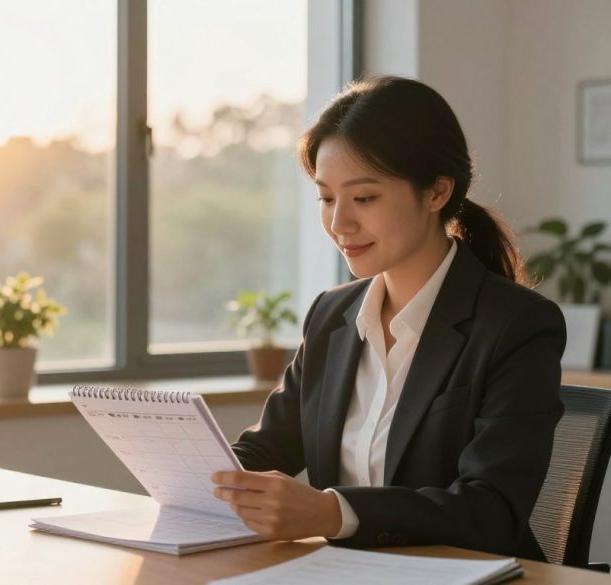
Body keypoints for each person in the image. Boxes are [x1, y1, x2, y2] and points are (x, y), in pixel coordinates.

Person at [211, 76, 566, 561]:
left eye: (364, 198)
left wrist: (332, 513)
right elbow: (268, 448)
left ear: (437, 191)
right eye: (327, 198)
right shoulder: (331, 315)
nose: (339, 224)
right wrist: (198, 471)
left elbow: (492, 510)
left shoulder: (517, 325)